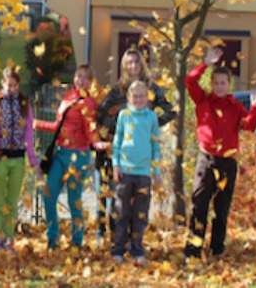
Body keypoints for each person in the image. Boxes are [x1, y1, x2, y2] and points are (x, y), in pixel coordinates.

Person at [183, 48, 256, 259]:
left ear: (229, 85)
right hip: (206, 160)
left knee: (221, 209)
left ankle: (217, 249)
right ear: (212, 84)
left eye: (223, 83)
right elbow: (190, 81)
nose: (219, 87)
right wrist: (205, 64)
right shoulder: (203, 100)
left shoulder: (236, 106)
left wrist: (254, 107)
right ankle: (193, 249)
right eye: (216, 83)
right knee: (199, 206)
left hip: (227, 163)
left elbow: (248, 126)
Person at [95, 48, 176, 245]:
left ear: (142, 65)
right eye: (129, 63)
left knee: (135, 200)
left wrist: (149, 124)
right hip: (116, 149)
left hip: (138, 155)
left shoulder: (151, 89)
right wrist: (110, 123)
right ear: (124, 66)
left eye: (136, 62)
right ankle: (107, 236)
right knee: (110, 196)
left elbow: (170, 111)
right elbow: (100, 115)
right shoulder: (118, 90)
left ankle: (133, 239)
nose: (133, 66)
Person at [34, 64, 109, 251]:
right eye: (79, 76)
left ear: (91, 82)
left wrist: (97, 143)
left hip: (79, 156)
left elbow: (90, 129)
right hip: (60, 153)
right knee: (49, 195)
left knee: (74, 200)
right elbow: (58, 126)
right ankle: (53, 239)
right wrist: (37, 123)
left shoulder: (89, 102)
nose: (81, 80)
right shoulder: (68, 96)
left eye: (86, 78)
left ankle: (77, 241)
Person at [0, 67, 38, 253]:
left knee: (11, 202)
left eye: (15, 85)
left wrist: (33, 161)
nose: (12, 88)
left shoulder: (24, 102)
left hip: (18, 159)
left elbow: (29, 132)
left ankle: (8, 239)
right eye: (9, 85)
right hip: (0, 157)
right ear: (2, 83)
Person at [110, 81, 162, 264]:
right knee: (122, 212)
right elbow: (116, 143)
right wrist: (116, 165)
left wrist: (157, 171)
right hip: (125, 171)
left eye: (142, 96)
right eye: (135, 96)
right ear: (129, 98)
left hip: (144, 174)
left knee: (140, 214)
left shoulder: (151, 117)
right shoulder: (124, 115)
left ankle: (137, 249)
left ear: (147, 98)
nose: (138, 99)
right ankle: (118, 249)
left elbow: (156, 146)